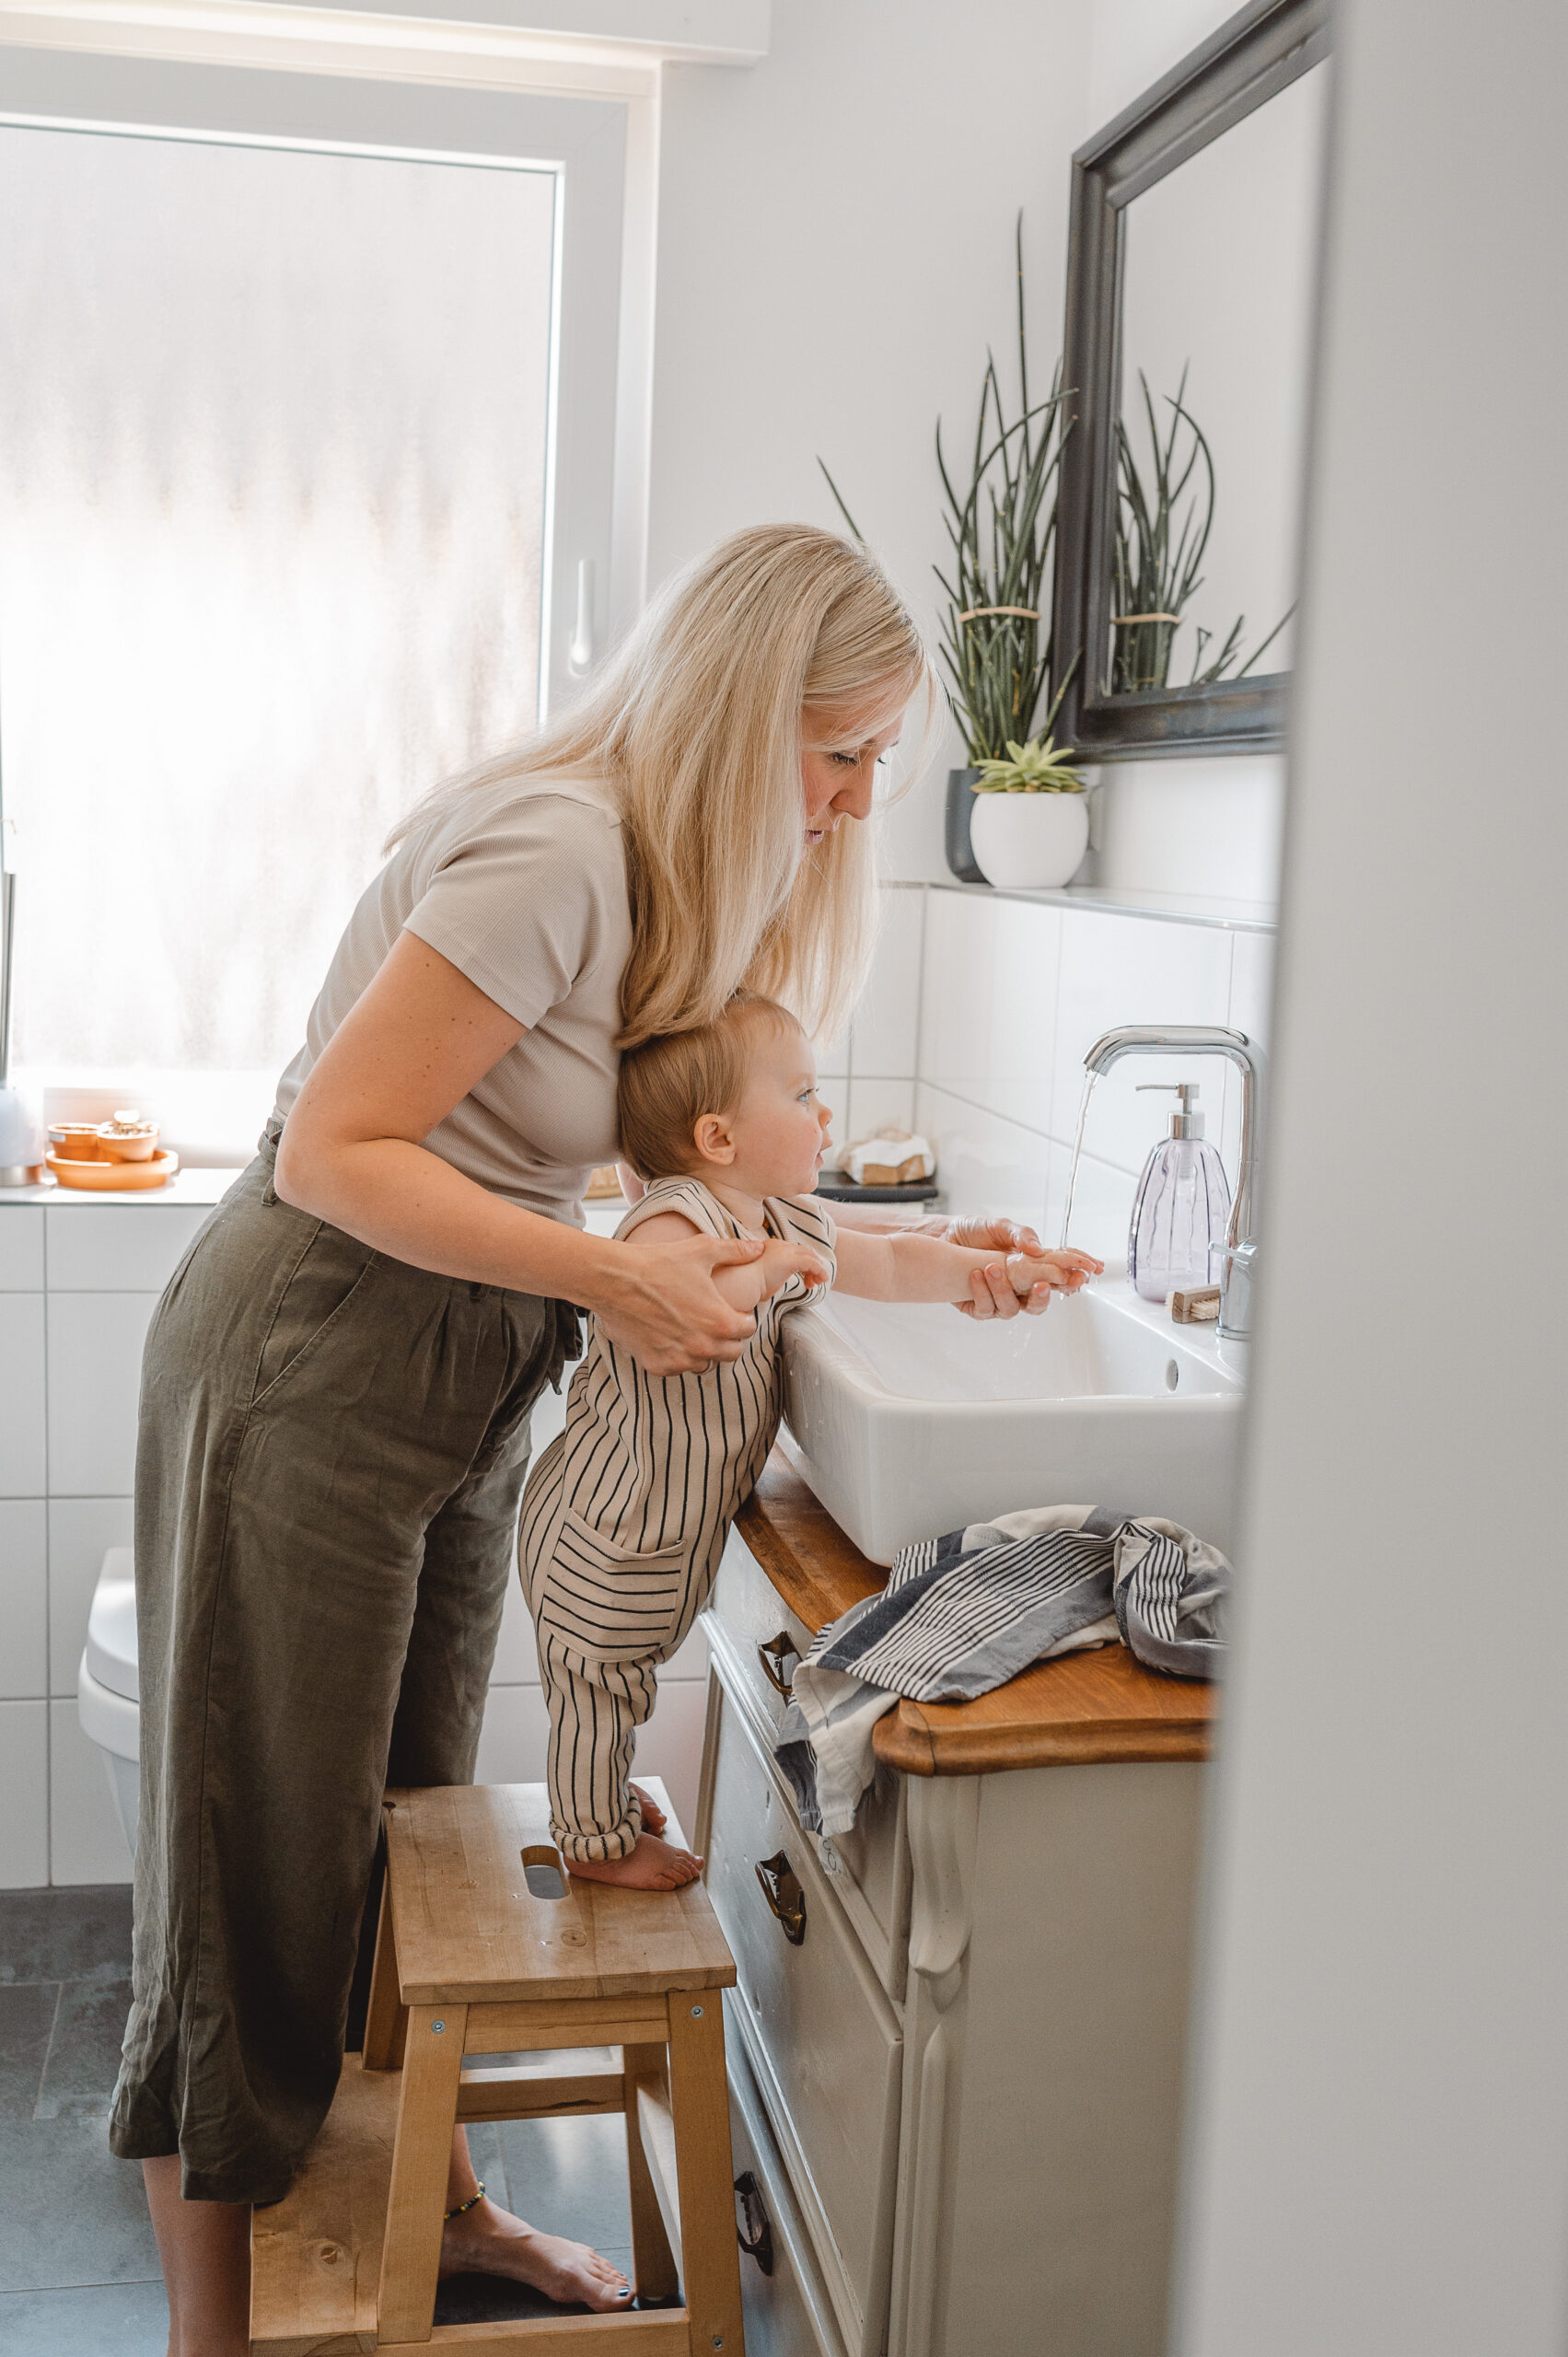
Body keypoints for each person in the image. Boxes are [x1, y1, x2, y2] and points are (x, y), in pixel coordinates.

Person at [110, 523, 1071, 2354]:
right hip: (314, 1340)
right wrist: (610, 1286)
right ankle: (207, 2334)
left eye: (881, 759)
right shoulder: (556, 843)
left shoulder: (668, 881)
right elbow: (335, 1149)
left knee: (406, 1838)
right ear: (735, 710)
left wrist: (924, 1258)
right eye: (840, 750)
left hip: (464, 1359)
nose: (861, 802)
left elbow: (675, 1184)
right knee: (259, 1871)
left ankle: (446, 2212)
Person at [522, 991, 1102, 1887]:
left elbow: (894, 1262)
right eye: (800, 1095)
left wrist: (991, 1268)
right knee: (598, 1673)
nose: (823, 1113)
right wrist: (765, 1271)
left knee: (618, 1673)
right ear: (717, 1139)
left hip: (663, 1522)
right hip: (609, 1519)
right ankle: (588, 1838)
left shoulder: (782, 1215)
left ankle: (593, 1794)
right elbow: (696, 1297)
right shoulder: (672, 1219)